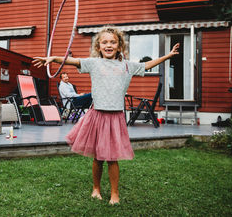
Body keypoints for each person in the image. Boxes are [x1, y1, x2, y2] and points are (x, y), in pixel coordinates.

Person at [32, 26, 179, 205]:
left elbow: (146, 65)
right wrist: (54, 58)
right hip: (97, 115)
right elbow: (73, 61)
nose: (108, 45)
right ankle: (96, 188)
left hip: (115, 117)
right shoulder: (94, 63)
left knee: (112, 158)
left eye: (113, 42)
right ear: (98, 46)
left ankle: (115, 193)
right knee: (98, 157)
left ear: (119, 46)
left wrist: (168, 56)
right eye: (105, 42)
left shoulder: (127, 65)